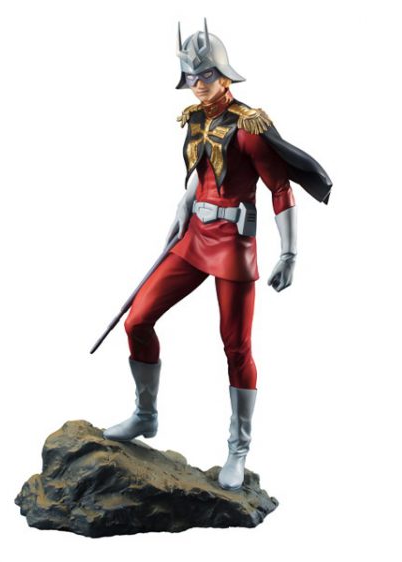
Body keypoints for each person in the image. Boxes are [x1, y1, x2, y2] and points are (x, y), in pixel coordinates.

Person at [103, 20, 332, 490]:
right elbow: (199, 170)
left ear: (224, 74)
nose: (197, 84)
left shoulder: (249, 126)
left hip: (233, 244)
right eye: (191, 76)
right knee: (137, 320)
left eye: (205, 74)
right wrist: (182, 206)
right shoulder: (195, 119)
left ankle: (238, 448)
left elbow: (280, 189)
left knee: (236, 346)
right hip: (193, 238)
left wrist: (290, 252)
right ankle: (145, 415)